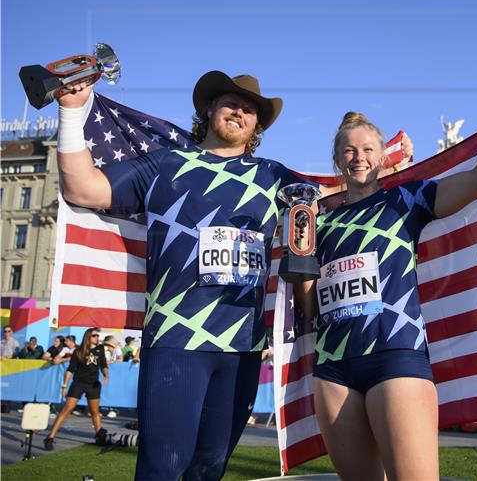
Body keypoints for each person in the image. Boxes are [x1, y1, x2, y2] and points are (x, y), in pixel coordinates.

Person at [52, 71, 408, 480]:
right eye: (230, 103)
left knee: (209, 471)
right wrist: (71, 110)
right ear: (208, 110)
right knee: (161, 469)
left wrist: (391, 162)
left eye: (250, 109)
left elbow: (342, 199)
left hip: (242, 348)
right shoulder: (166, 165)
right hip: (176, 339)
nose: (239, 111)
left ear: (258, 126)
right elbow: (83, 189)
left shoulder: (276, 178)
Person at [294, 74, 477, 479]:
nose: (358, 157)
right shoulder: (320, 221)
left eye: (367, 149)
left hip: (395, 358)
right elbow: (309, 304)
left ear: (381, 157)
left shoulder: (405, 199)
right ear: (337, 160)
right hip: (333, 369)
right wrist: (298, 257)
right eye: (349, 151)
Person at [43, 328, 109, 450]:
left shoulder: (100, 350)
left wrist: (106, 374)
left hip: (93, 384)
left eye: (97, 335)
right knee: (66, 410)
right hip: (78, 383)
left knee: (95, 412)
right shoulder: (78, 351)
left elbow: (103, 365)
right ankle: (50, 437)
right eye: (94, 335)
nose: (97, 337)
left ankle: (99, 436)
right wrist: (64, 386)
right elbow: (70, 370)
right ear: (88, 337)